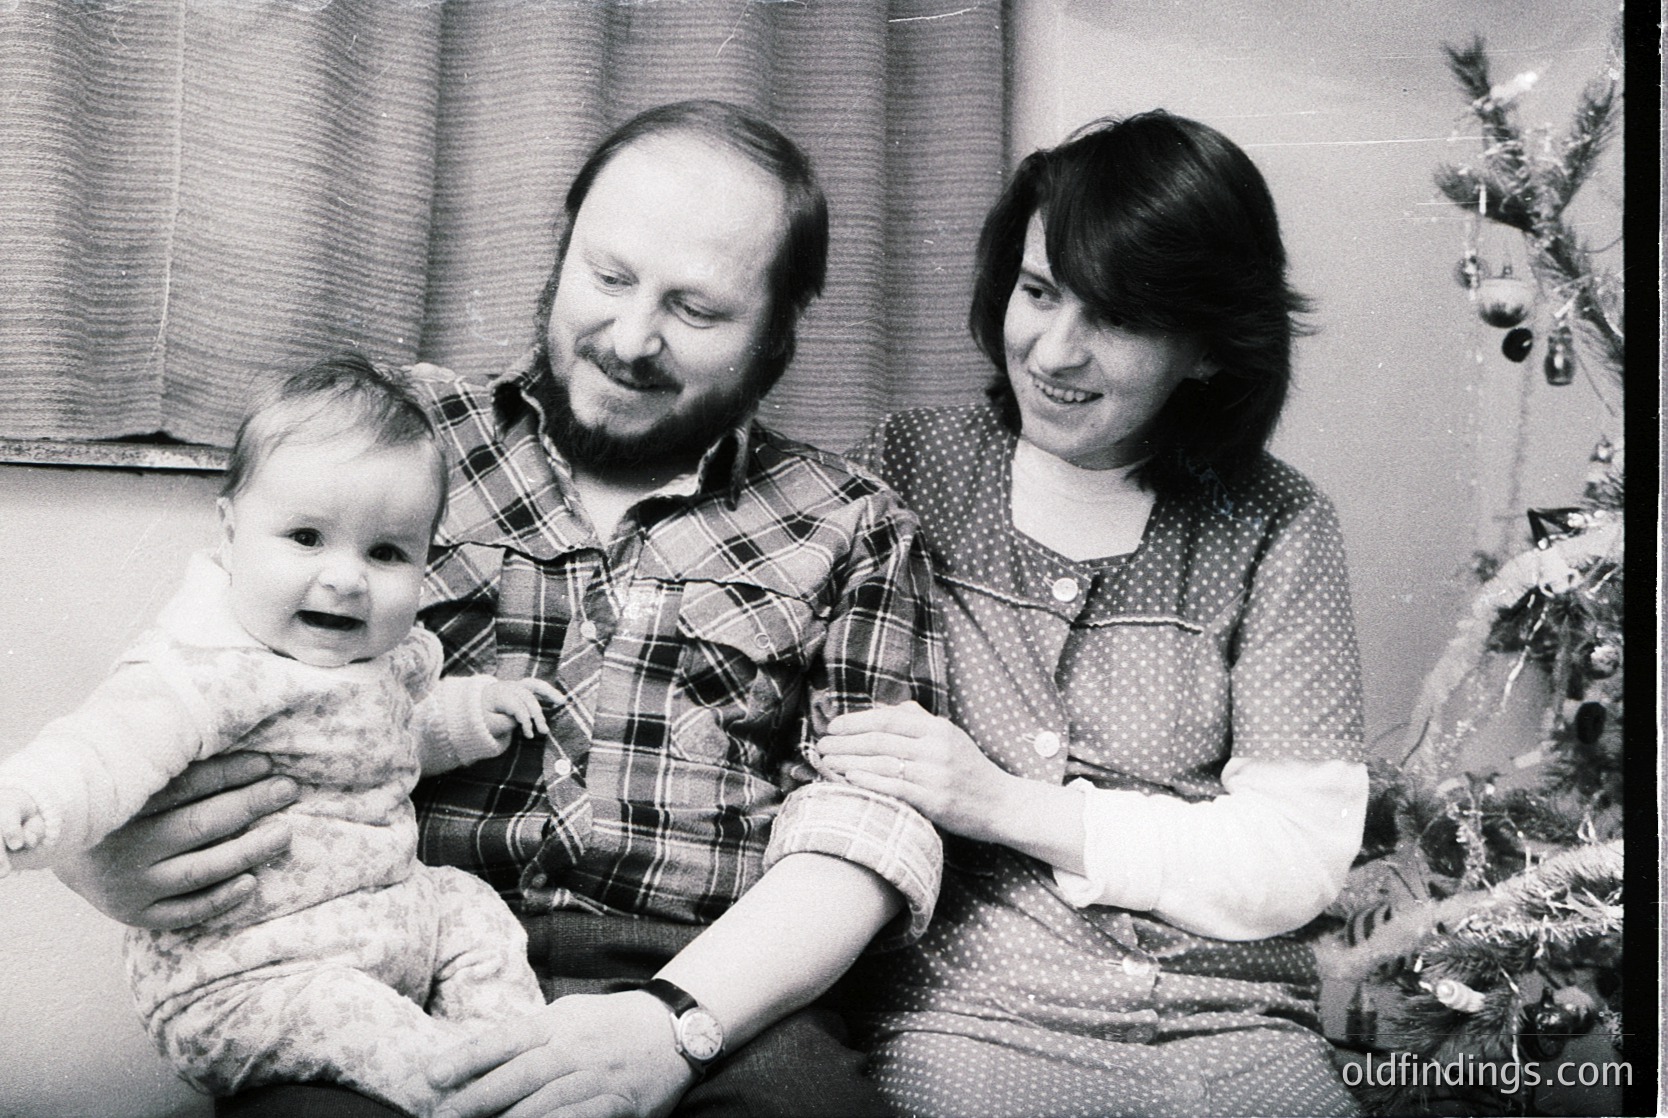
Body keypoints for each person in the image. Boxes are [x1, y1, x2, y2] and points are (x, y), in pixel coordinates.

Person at [57, 100, 943, 1118]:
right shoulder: (397, 438)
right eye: (606, 277)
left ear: (780, 333)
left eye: (696, 311)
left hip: (709, 995)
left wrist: (674, 1021)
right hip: (385, 965)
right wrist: (101, 852)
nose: (631, 336)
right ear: (561, 252)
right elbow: (196, 662)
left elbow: (866, 832)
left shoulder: (851, 524)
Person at [816, 110, 1369, 1117]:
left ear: (1207, 350)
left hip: (1232, 1025)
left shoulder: (1282, 523)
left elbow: (1295, 855)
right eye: (1037, 292)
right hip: (970, 1017)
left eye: (1115, 319)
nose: (1054, 351)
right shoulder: (909, 468)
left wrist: (1003, 804)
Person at [0, 354, 552, 1116]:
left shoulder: (381, 661)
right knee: (359, 1022)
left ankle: (516, 1057)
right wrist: (33, 800)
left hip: (386, 925)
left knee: (472, 907)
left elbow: (388, 742)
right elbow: (108, 747)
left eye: (387, 552)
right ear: (229, 534)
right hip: (254, 979)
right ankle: (467, 1090)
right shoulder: (214, 670)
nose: (347, 576)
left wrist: (468, 716)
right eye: (305, 537)